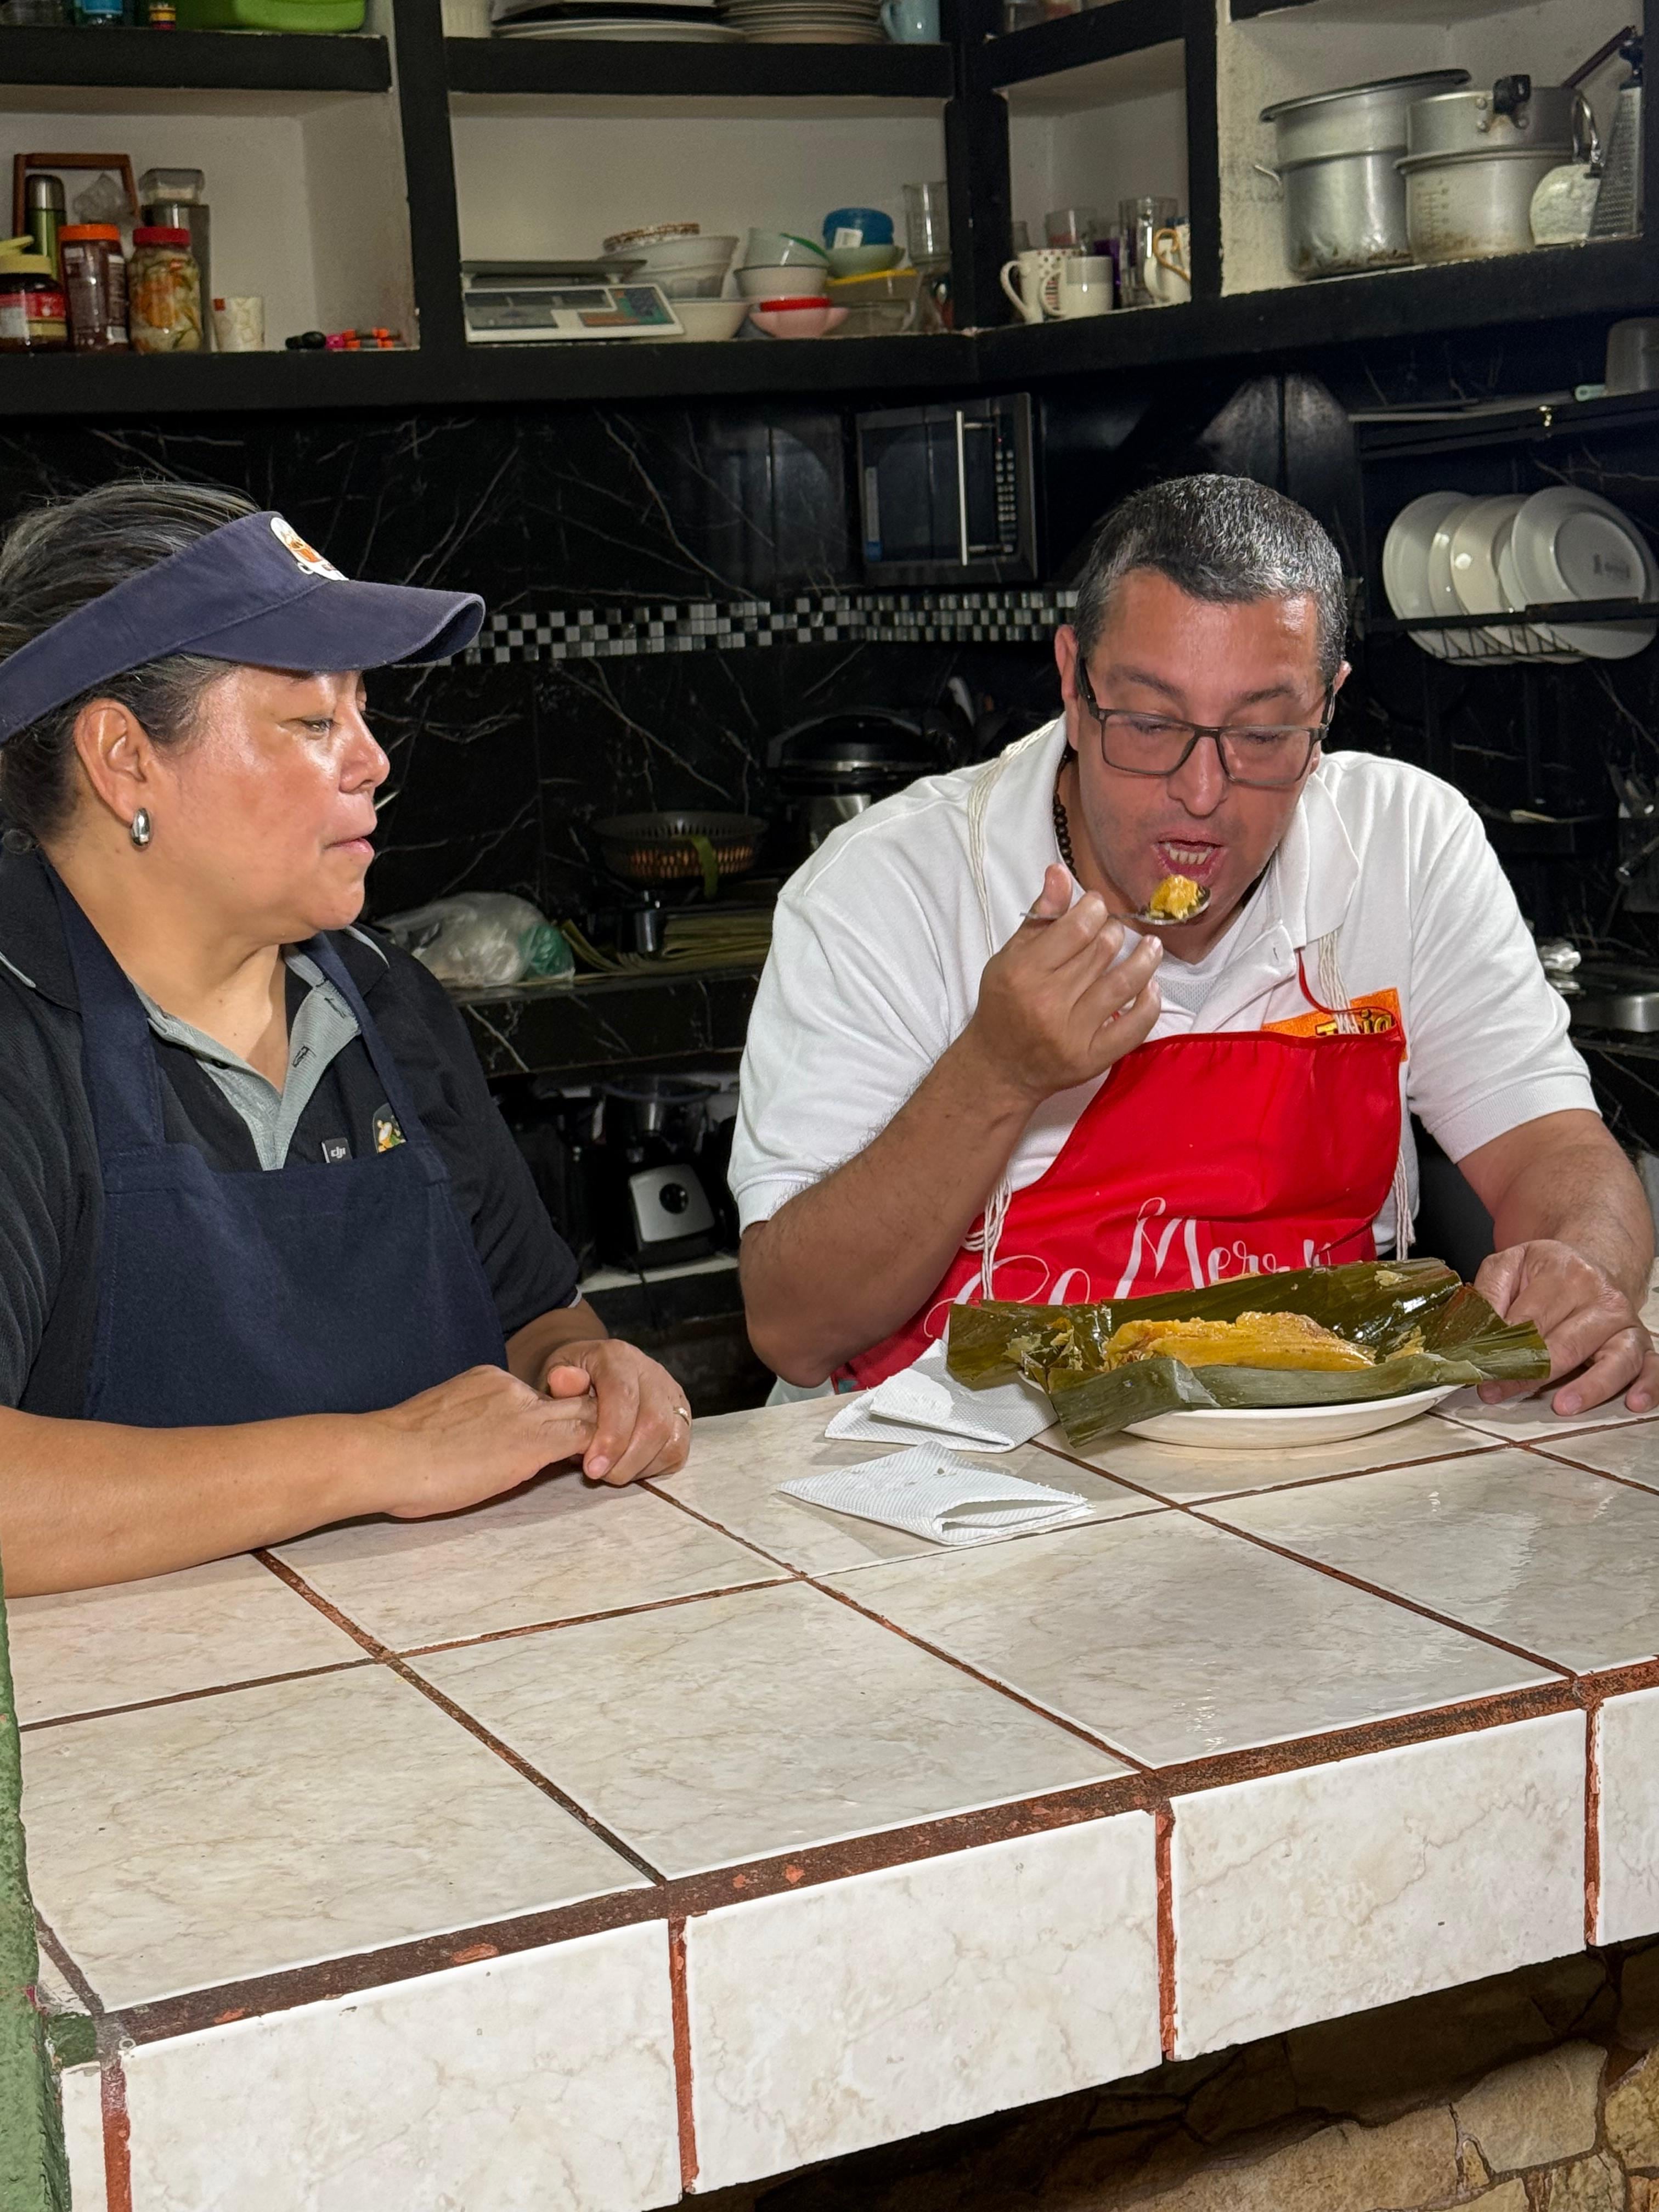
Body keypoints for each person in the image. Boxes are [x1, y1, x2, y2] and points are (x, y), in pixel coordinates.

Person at [733, 474, 1657, 1418]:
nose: (1204, 792)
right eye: (1149, 723)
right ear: (1071, 679)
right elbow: (796, 1328)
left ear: (1328, 707)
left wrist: (1581, 1273)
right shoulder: (888, 888)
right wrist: (996, 1073)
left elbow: (1558, 1152)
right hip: (946, 1487)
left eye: (1262, 733)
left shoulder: (1403, 843)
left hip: (1305, 1468)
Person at [0, 481, 691, 1599]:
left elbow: (533, 1319)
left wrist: (585, 1377)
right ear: (125, 758)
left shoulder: (384, 1001)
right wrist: (380, 1456)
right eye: (314, 723)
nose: (373, 761)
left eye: (363, 712)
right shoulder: (17, 1028)